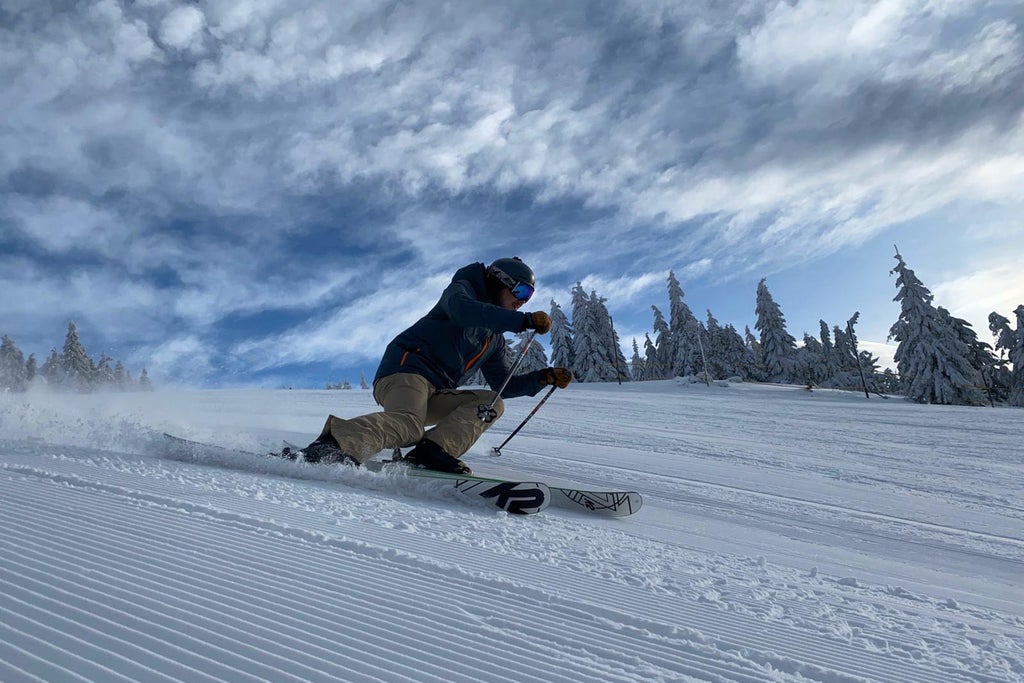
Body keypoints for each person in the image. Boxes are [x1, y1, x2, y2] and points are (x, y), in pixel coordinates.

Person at [298, 257, 573, 474]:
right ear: (500, 281)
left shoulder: (493, 340)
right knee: (409, 426)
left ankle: (431, 452)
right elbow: (464, 312)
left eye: (529, 296)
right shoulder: (462, 292)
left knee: (492, 403)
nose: (523, 300)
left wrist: (543, 377)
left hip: (437, 391)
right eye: (521, 290)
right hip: (407, 370)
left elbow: (506, 385)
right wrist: (521, 321)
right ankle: (331, 447)